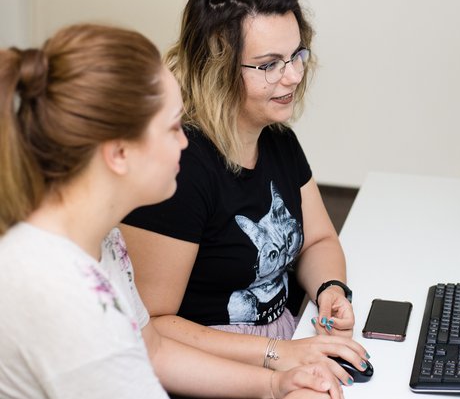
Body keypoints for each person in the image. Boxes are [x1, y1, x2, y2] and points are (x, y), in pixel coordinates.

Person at [0, 23, 344, 399]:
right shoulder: (65, 296)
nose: (185, 143)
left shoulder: (105, 241)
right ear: (118, 154)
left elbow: (155, 350)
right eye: (171, 128)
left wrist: (275, 385)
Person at [120, 0, 368, 378]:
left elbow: (319, 238)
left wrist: (330, 290)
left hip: (286, 343)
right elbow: (154, 326)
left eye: (296, 56)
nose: (292, 76)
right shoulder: (180, 168)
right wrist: (277, 355)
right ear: (217, 68)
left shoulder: (277, 140)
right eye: (269, 65)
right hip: (213, 366)